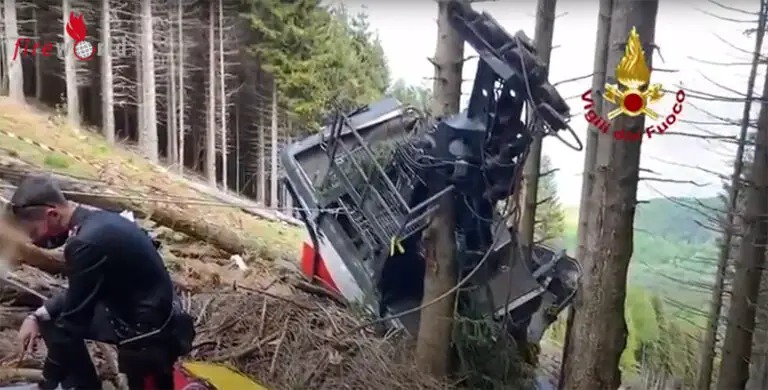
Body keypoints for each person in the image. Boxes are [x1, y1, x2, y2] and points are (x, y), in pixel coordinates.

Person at [8, 175, 194, 390]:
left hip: (148, 336)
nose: (34, 240)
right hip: (148, 314)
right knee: (53, 318)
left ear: (52, 214)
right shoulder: (101, 221)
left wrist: (47, 381)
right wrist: (37, 314)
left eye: (34, 232)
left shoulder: (85, 243)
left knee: (64, 328)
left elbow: (73, 322)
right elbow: (81, 292)